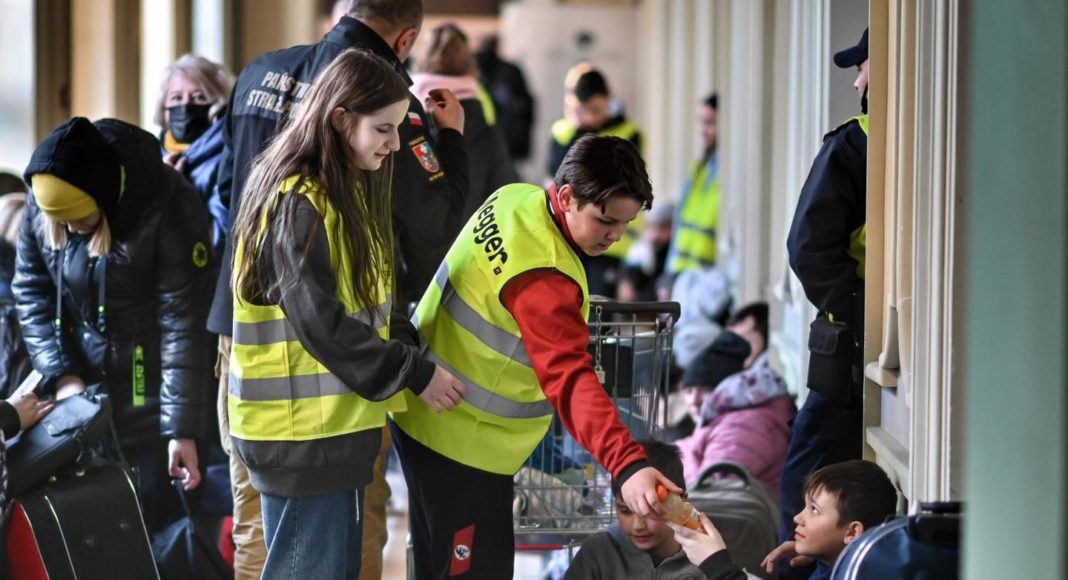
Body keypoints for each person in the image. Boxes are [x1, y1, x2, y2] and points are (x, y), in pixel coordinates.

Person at [210, 1, 470, 577]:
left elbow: (366, 301)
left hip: (334, 426)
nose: (395, 146)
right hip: (303, 435)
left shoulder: (343, 189)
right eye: (384, 130)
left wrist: (406, 343)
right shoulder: (299, 205)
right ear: (338, 120)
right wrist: (413, 372)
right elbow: (323, 322)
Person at [392, 135, 682, 578]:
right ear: (566, 198)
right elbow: (570, 379)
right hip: (464, 443)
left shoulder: (515, 199)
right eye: (605, 220)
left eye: (626, 224)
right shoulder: (545, 277)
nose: (615, 236)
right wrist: (627, 464)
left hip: (427, 416)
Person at [14, 117, 216, 532]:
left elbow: (183, 324)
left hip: (152, 390)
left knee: (158, 522)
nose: (70, 230)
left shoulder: (169, 204)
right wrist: (62, 374)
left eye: (81, 220)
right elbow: (31, 291)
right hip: (81, 392)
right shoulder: (41, 201)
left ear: (105, 201)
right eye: (60, 223)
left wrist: (181, 431)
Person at [778, 27, 870, 580]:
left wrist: (855, 309)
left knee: (807, 481)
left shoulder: (853, 145)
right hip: (870, 343)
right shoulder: (912, 141)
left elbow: (807, 248)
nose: (857, 81)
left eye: (861, 67)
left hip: (850, 344)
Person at [669, 460, 897, 580]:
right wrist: (827, 555)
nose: (798, 517)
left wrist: (717, 564)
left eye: (814, 510)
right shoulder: (847, 566)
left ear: (852, 533)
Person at [675, 303, 795, 494]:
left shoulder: (741, 427)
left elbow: (713, 495)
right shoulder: (730, 418)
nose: (694, 401)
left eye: (705, 390)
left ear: (725, 391)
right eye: (689, 391)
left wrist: (675, 467)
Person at [547, 64, 644, 298]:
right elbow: (556, 177)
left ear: (609, 99)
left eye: (596, 110)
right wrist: (577, 128)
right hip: (568, 235)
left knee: (600, 306)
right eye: (583, 110)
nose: (590, 117)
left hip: (611, 243)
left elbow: (615, 182)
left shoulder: (629, 132)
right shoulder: (562, 131)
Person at [565, 438, 717, 579]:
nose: (637, 526)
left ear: (681, 502)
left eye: (650, 510)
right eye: (625, 511)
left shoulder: (708, 557)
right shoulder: (598, 553)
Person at [411, 22, 518, 220]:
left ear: (422, 60)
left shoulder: (403, 119)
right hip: (471, 235)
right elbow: (505, 196)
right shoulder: (487, 128)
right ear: (469, 64)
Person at [156, 53, 235, 255]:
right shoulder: (150, 154)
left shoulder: (229, 159)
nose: (185, 105)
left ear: (218, 108)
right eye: (176, 97)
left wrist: (178, 192)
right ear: (164, 110)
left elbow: (219, 242)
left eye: (199, 97)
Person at [665, 93, 722, 278]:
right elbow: (679, 222)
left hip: (709, 277)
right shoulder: (699, 170)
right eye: (701, 122)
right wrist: (668, 273)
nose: (703, 130)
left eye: (710, 123)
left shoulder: (726, 173)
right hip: (683, 272)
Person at [475, 34, 535, 162]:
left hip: (488, 142)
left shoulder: (471, 73)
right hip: (505, 142)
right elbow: (526, 106)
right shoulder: (510, 70)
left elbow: (524, 105)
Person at [618, 201, 673, 302]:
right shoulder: (642, 250)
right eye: (653, 227)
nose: (656, 234)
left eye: (662, 227)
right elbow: (627, 288)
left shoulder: (673, 252)